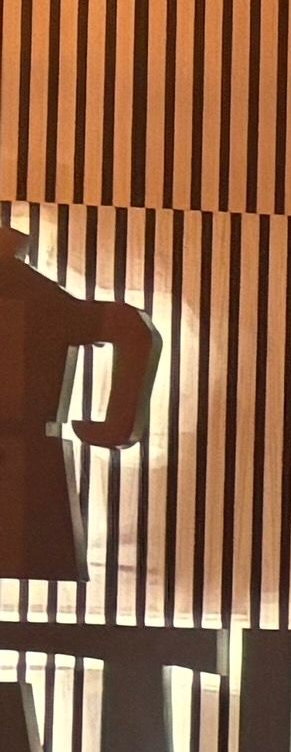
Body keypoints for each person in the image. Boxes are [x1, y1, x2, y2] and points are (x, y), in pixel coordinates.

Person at [2, 237, 158, 590]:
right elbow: (132, 325)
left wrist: (121, 428)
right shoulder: (46, 299)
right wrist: (116, 428)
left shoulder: (42, 301)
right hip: (37, 465)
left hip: (35, 469)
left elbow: (132, 327)